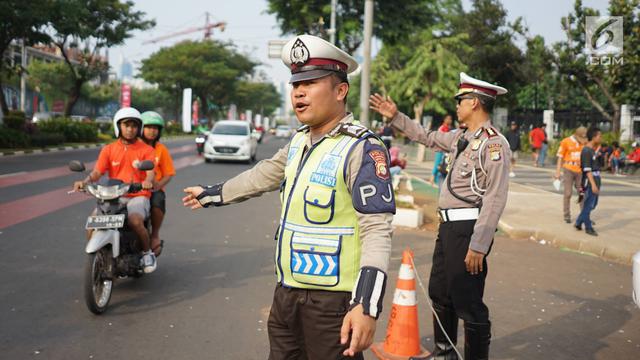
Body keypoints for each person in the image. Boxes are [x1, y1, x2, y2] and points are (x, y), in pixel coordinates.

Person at [182, 34, 394, 359]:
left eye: (310, 82)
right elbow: (261, 175)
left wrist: (367, 304)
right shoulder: (298, 142)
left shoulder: (361, 148)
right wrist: (212, 194)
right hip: (287, 295)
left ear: (340, 90)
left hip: (333, 305)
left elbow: (377, 230)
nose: (299, 92)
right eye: (296, 84)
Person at [370, 72, 510, 360]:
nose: (456, 105)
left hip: (468, 229)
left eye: (460, 100)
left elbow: (495, 197)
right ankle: (444, 353)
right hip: (448, 227)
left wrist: (479, 245)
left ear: (473, 103)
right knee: (440, 292)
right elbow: (426, 137)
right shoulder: (461, 137)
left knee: (468, 301)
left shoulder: (493, 144)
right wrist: (396, 116)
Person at [72, 107, 157, 273]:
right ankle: (96, 256)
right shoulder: (109, 149)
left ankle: (147, 253)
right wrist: (85, 181)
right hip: (113, 195)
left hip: (137, 195)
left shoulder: (146, 150)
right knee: (92, 221)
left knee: (135, 220)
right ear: (118, 126)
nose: (130, 129)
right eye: (126, 125)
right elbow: (97, 172)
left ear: (138, 128)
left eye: (134, 126)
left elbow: (150, 172)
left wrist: (147, 181)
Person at [140, 111, 176, 257]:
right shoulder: (134, 147)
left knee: (157, 202)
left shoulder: (161, 149)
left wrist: (158, 186)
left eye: (155, 128)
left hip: (153, 189)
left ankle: (154, 235)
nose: (152, 131)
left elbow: (169, 173)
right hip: (132, 188)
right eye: (148, 127)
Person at [554, 127, 587, 223]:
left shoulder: (584, 143)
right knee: (568, 193)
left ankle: (584, 215)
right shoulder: (566, 142)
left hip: (580, 171)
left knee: (582, 193)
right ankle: (567, 215)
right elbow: (560, 158)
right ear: (576, 135)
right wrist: (557, 172)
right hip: (568, 169)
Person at [575, 127, 603, 236]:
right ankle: (588, 227)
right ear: (594, 137)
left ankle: (578, 221)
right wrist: (593, 185)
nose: (601, 138)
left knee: (593, 204)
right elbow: (587, 170)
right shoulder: (586, 151)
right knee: (589, 204)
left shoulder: (592, 150)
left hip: (596, 178)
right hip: (590, 180)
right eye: (599, 136)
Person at [431, 115, 453, 185]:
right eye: (447, 119)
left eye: (450, 119)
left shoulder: (451, 129)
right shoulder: (442, 129)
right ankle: (434, 175)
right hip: (441, 149)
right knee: (439, 163)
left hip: (447, 152)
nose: (449, 120)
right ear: (444, 120)